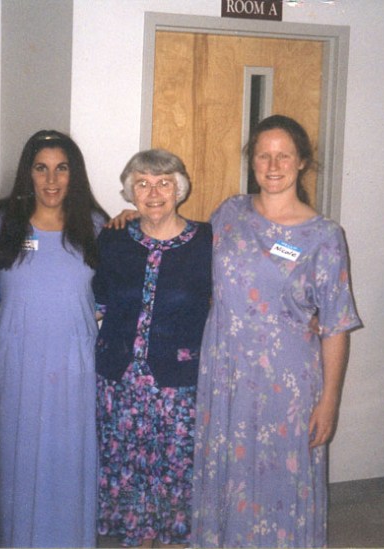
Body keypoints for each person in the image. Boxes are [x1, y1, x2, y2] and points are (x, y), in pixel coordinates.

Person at [190, 115, 361, 547]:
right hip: (226, 377)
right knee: (228, 482)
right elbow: (184, 254)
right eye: (263, 155)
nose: (272, 165)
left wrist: (330, 400)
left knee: (281, 486)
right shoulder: (229, 213)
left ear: (302, 162)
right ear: (252, 161)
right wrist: (139, 217)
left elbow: (336, 325)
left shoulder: (324, 236)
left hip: (287, 385)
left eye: (283, 156)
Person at [0, 129, 108, 548]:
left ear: (75, 175)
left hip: (74, 365)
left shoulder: (97, 227)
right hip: (17, 362)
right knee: (18, 462)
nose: (52, 179)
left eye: (62, 168)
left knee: (69, 460)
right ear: (28, 174)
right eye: (41, 168)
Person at [93, 150, 212, 548]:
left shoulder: (208, 241)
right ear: (131, 193)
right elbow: (97, 299)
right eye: (142, 184)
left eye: (164, 183)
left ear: (180, 189)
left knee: (175, 474)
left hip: (178, 382)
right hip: (119, 380)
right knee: (127, 471)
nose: (154, 192)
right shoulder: (113, 238)